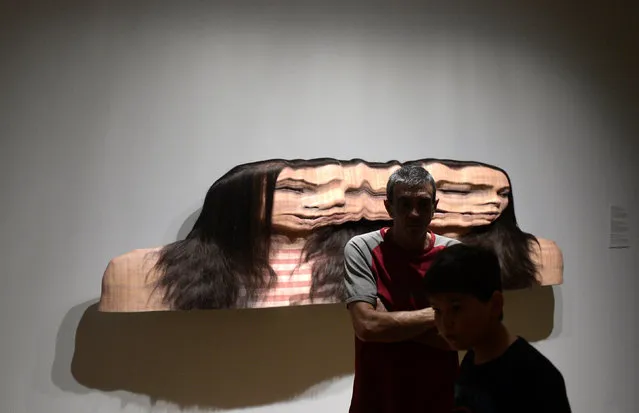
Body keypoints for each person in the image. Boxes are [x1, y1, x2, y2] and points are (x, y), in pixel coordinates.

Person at [343, 165, 461, 413]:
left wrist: (387, 319)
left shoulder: (454, 254)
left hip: (440, 400)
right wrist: (436, 314)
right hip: (376, 400)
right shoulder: (362, 249)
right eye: (405, 204)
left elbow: (455, 338)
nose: (414, 213)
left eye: (423, 204)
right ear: (389, 207)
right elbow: (367, 326)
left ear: (435, 207)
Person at [423, 243, 572, 412]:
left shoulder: (537, 377)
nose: (445, 322)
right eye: (437, 310)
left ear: (495, 305)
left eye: (456, 308)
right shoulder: (470, 362)